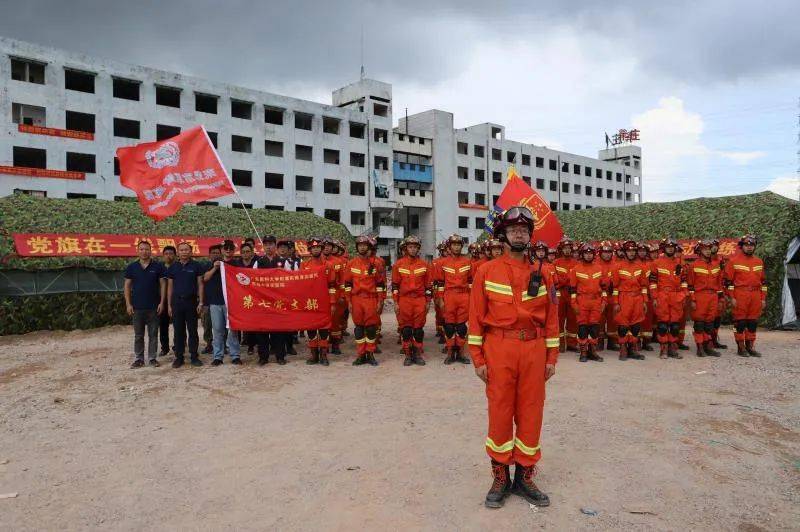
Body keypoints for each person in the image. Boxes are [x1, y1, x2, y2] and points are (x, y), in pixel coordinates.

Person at [468, 206, 559, 509]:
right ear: (503, 235)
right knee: (500, 411)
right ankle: (500, 476)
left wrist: (551, 357)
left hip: (533, 350)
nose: (519, 233)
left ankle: (524, 475)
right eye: (513, 229)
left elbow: (551, 318)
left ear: (530, 236)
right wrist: (478, 358)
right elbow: (476, 318)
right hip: (499, 349)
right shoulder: (486, 271)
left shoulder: (543, 272)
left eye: (524, 230)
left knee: (532, 411)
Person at [343, 236, 386, 366]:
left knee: (371, 328)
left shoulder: (376, 264)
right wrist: (349, 301)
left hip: (371, 299)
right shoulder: (351, 263)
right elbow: (347, 284)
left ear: (368, 247)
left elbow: (380, 284)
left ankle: (370, 354)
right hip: (356, 300)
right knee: (359, 329)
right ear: (357, 247)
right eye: (359, 245)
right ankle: (361, 355)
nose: (362, 247)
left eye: (364, 245)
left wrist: (380, 301)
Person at [124, 240, 166, 368]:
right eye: (141, 249)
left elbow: (163, 285)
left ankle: (152, 358)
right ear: (138, 251)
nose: (144, 251)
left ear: (150, 250)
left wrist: (162, 302)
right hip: (137, 307)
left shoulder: (158, 266)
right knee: (138, 335)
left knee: (153, 334)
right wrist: (128, 304)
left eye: (147, 249)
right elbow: (127, 286)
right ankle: (139, 359)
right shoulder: (132, 267)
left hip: (154, 306)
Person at [392, 235, 432, 366]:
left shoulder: (424, 265)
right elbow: (395, 286)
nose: (413, 249)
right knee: (406, 330)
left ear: (418, 249)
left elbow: (428, 287)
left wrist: (427, 302)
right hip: (404, 300)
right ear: (405, 248)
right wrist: (396, 302)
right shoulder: (398, 265)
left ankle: (418, 354)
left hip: (419, 300)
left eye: (415, 247)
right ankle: (408, 355)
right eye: (410, 247)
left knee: (418, 330)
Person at [724, 235, 767, 357]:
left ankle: (750, 346)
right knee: (740, 322)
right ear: (741, 246)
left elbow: (763, 282)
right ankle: (740, 347)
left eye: (751, 245)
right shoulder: (733, 261)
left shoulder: (759, 261)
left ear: (754, 247)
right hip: (740, 294)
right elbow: (728, 283)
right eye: (746, 245)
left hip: (755, 295)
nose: (749, 247)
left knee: (752, 322)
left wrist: (763, 298)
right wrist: (731, 297)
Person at [202, 241, 243, 366]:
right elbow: (205, 278)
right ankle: (218, 356)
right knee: (218, 330)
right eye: (226, 248)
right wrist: (215, 267)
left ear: (234, 250)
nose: (228, 250)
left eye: (231, 248)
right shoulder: (215, 264)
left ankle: (235, 355)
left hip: (231, 303)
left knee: (232, 330)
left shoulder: (237, 264)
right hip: (215, 302)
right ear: (222, 250)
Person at [434, 234, 473, 364]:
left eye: (458, 245)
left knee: (461, 327)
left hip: (464, 296)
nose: (456, 247)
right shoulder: (442, 263)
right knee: (449, 327)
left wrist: (472, 297)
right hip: (449, 295)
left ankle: (461, 353)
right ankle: (450, 353)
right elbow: (440, 283)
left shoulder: (468, 262)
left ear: (461, 246)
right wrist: (440, 299)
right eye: (454, 245)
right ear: (449, 247)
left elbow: (471, 281)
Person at [253, 236, 291, 365]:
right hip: (262, 302)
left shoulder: (283, 261)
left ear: (275, 246)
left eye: (271, 244)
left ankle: (280, 356)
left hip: (278, 302)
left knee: (278, 330)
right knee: (262, 331)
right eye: (266, 244)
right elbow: (252, 280)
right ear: (263, 246)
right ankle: (263, 357)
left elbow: (290, 280)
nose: (268, 246)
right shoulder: (258, 262)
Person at [166, 241, 205, 368]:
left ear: (191, 251)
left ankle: (194, 356)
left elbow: (200, 284)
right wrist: (169, 305)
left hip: (191, 302)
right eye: (181, 250)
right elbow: (170, 287)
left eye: (186, 250)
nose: (184, 252)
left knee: (193, 330)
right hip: (177, 303)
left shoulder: (196, 266)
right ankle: (179, 357)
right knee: (178, 331)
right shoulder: (173, 267)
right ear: (178, 252)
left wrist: (201, 301)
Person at [301, 237, 337, 366]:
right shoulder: (304, 265)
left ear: (321, 249)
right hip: (310, 302)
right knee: (311, 329)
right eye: (313, 247)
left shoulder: (328, 265)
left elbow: (332, 286)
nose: (315, 249)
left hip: (324, 301)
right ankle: (314, 355)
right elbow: (301, 285)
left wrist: (332, 303)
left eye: (318, 247)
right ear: (310, 250)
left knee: (324, 329)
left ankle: (323, 355)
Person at [649, 237, 688, 359]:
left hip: (677, 296)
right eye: (668, 247)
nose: (670, 249)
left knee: (675, 325)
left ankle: (673, 348)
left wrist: (684, 295)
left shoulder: (680, 264)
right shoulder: (656, 263)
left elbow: (684, 281)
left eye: (672, 247)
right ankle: (663, 349)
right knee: (663, 324)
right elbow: (653, 282)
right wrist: (655, 297)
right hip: (662, 296)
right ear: (664, 248)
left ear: (675, 248)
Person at [569, 243, 606, 362]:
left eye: (590, 253)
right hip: (582, 301)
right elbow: (573, 289)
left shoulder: (599, 268)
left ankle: (592, 351)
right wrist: (574, 303)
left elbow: (604, 287)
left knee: (594, 327)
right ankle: (583, 352)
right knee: (583, 327)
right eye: (586, 253)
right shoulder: (576, 269)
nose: (589, 255)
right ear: (582, 254)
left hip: (596, 301)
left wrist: (604, 301)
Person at [611, 240, 648, 361]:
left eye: (633, 251)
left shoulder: (640, 267)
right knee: (623, 325)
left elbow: (643, 286)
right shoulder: (618, 267)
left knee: (636, 325)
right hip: (624, 298)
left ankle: (632, 348)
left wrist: (644, 301)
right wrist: (616, 302)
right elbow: (615, 287)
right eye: (629, 251)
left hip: (637, 298)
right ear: (625, 252)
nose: (631, 253)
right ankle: (623, 348)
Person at [686, 239, 723, 357]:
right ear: (700, 251)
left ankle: (708, 347)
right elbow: (690, 285)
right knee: (699, 323)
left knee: (709, 324)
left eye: (709, 249)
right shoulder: (694, 266)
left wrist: (720, 299)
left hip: (713, 296)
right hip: (700, 296)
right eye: (705, 249)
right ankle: (700, 347)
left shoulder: (716, 265)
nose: (708, 252)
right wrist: (692, 299)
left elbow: (719, 284)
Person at [554, 237, 578, 352]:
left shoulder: (576, 263)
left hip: (572, 294)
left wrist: (567, 280)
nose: (567, 250)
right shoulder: (556, 262)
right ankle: (561, 343)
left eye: (569, 248)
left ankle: (572, 343)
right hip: (561, 294)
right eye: (565, 248)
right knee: (559, 318)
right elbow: (555, 279)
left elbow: (578, 279)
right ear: (561, 250)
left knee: (573, 318)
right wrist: (567, 279)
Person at [158, 245, 176, 357]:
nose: (168, 256)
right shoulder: (159, 268)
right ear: (163, 255)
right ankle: (164, 347)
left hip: (177, 300)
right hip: (162, 301)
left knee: (179, 325)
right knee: (163, 325)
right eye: (166, 253)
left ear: (175, 255)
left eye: (171, 253)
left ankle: (178, 346)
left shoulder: (178, 267)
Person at [598, 241, 616, 351]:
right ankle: (599, 341)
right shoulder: (595, 264)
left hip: (613, 295)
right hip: (600, 296)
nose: (607, 254)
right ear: (600, 253)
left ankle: (612, 342)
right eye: (605, 252)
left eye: (609, 252)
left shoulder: (616, 264)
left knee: (613, 318)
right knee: (600, 319)